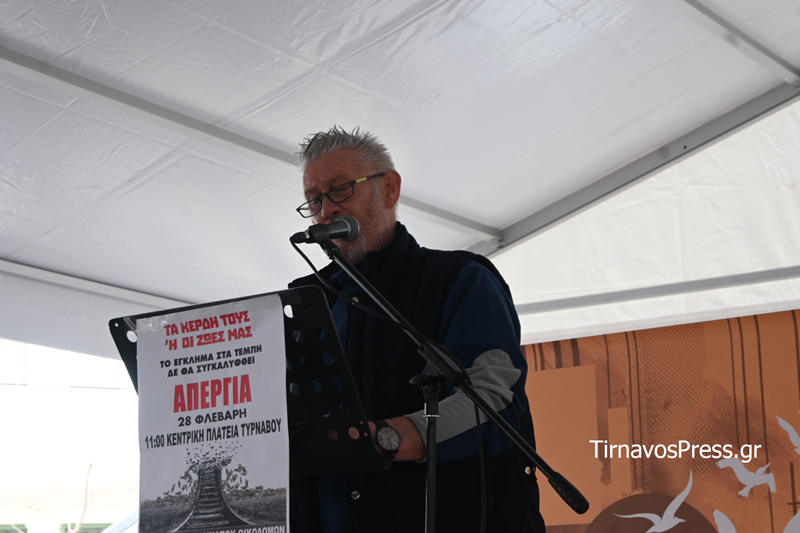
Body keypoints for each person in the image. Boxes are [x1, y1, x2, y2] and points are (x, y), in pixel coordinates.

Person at [288, 126, 546, 532]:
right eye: (314, 200)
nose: (326, 210)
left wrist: (383, 440)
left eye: (339, 190)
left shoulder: (459, 279)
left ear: (389, 189)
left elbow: (493, 402)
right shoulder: (305, 302)